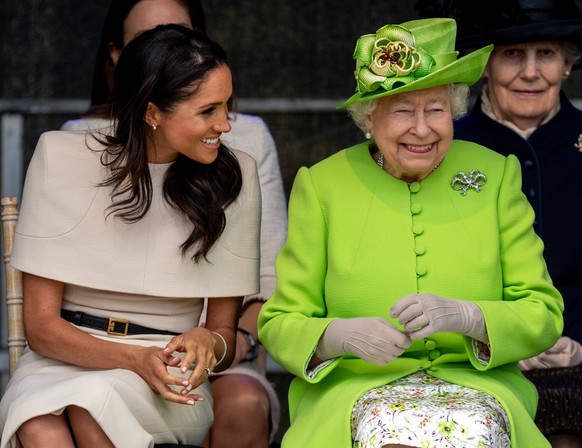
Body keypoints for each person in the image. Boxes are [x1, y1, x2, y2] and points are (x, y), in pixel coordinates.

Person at [258, 17, 565, 448]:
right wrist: (337, 338)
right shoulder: (323, 185)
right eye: (403, 110)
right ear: (369, 118)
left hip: (479, 390)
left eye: (436, 110)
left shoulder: (495, 175)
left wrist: (471, 317)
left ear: (454, 111)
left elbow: (543, 312)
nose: (422, 129)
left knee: (471, 432)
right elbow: (279, 323)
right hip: (354, 392)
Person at [0, 24, 261, 447]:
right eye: (208, 110)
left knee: (86, 411)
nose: (225, 125)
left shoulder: (235, 176)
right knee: (39, 425)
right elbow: (41, 328)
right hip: (59, 360)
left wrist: (205, 342)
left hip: (168, 371)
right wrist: (132, 359)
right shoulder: (59, 156)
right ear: (152, 112)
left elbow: (223, 337)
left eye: (226, 105)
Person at [61, 1, 287, 447]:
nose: (167, 51)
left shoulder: (243, 140)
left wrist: (219, 347)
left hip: (219, 350)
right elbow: (60, 296)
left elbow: (268, 286)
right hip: (108, 349)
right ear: (116, 57)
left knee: (241, 402)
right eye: (146, 42)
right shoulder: (75, 144)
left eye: (178, 35)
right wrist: (138, 355)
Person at [414, 1, 582, 446]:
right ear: (485, 65)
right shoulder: (439, 142)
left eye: (545, 54)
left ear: (568, 63)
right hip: (469, 356)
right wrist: (498, 339)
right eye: (512, 55)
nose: (530, 72)